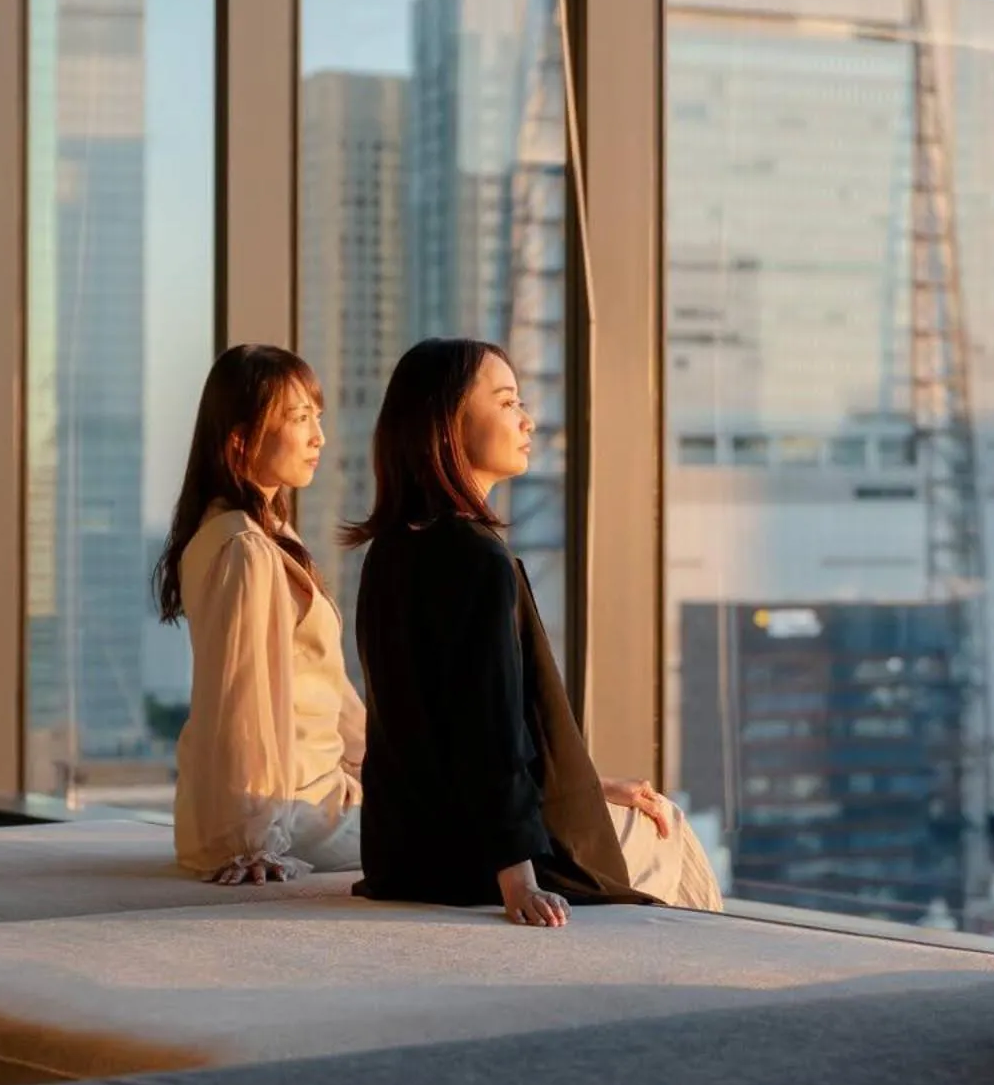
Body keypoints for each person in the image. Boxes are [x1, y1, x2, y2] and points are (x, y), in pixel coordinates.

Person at [345, 337, 723, 926]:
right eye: (507, 402)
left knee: (638, 816)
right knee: (670, 833)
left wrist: (587, 784)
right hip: (475, 859)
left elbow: (441, 728)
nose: (528, 420)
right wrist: (518, 881)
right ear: (449, 423)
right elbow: (486, 729)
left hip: (408, 851)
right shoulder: (476, 558)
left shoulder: (392, 550)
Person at [154, 344, 365, 885]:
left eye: (317, 417)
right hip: (292, 812)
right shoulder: (245, 549)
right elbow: (242, 701)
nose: (318, 436)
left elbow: (322, 689)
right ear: (240, 440)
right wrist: (252, 842)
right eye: (299, 419)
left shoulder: (259, 535)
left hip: (309, 798)